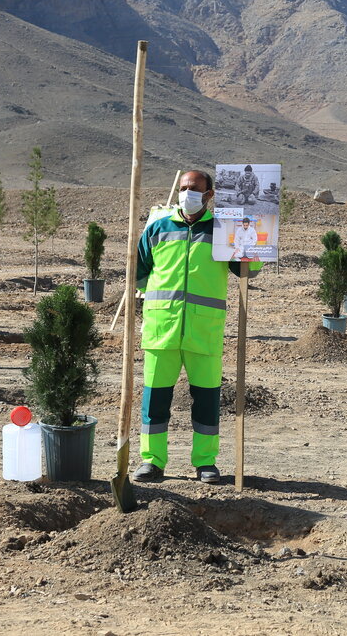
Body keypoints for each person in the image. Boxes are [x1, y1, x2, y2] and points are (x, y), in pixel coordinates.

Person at [133, 170, 261, 484]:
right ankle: (152, 461)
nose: (188, 193)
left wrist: (252, 233)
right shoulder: (158, 227)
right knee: (154, 401)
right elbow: (137, 272)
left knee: (206, 401)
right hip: (162, 329)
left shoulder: (223, 230)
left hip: (204, 331)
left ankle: (205, 462)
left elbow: (250, 271)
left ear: (209, 194)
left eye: (195, 189)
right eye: (184, 188)